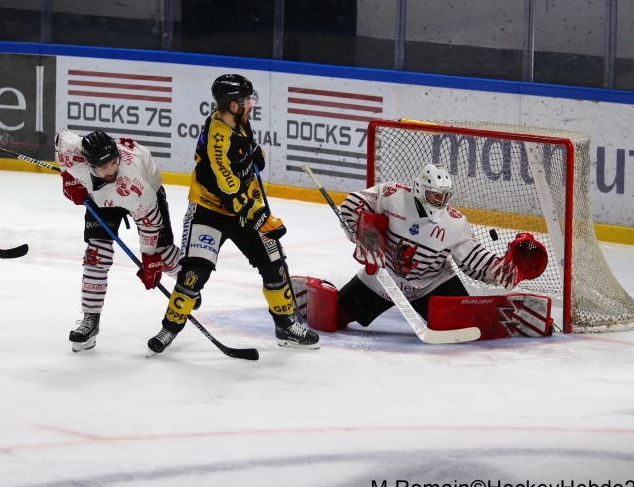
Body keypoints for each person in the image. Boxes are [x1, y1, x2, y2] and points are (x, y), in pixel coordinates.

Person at [146, 74, 319, 355]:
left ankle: (286, 326)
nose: (251, 105)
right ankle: (169, 328)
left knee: (273, 261)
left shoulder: (236, 120)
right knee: (193, 274)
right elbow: (230, 191)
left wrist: (254, 151)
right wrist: (261, 216)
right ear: (233, 105)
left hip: (242, 206)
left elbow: (241, 152)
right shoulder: (217, 139)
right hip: (209, 211)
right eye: (246, 100)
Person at [293, 164, 552, 338]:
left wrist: (506, 268)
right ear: (420, 190)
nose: (441, 201)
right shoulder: (391, 195)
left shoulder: (455, 223)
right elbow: (354, 202)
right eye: (435, 195)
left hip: (432, 283)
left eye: (444, 195)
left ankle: (517, 315)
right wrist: (361, 228)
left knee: (468, 327)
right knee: (334, 319)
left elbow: (475, 263)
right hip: (384, 278)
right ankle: (307, 292)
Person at [55, 129, 179, 352]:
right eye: (104, 167)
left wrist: (150, 259)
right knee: (96, 255)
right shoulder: (75, 152)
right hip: (103, 199)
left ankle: (187, 280)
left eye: (113, 163)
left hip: (145, 194)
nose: (111, 170)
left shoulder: (136, 186)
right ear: (89, 163)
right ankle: (90, 320)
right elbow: (60, 138)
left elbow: (149, 221)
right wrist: (68, 177)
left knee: (163, 254)